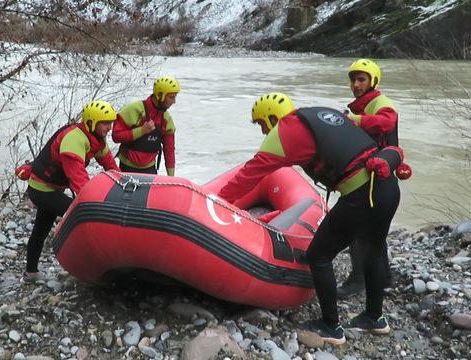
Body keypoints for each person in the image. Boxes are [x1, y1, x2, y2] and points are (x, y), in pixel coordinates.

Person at [218, 93, 403, 344]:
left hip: (362, 195)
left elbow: (250, 174)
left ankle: (331, 327)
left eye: (262, 124)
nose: (264, 132)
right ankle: (375, 318)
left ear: (272, 117)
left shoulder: (285, 131)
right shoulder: (321, 114)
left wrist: (217, 199)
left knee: (319, 256)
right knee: (373, 250)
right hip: (387, 187)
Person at [338, 58, 412, 299]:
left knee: (357, 229)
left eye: (362, 80)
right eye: (353, 79)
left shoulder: (380, 104)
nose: (356, 84)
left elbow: (387, 122)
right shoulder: (362, 105)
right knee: (375, 229)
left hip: (377, 178)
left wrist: (355, 121)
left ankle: (358, 281)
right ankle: (384, 278)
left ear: (373, 81)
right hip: (377, 177)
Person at [23, 100, 120, 282]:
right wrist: (95, 205)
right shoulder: (74, 140)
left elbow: (110, 165)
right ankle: (87, 268)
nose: (110, 127)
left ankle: (30, 273)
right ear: (92, 122)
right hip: (41, 189)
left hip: (52, 188)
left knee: (41, 229)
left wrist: (123, 185)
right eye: (106, 123)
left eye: (111, 123)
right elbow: (79, 180)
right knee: (80, 218)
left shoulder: (96, 138)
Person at [112, 76, 179, 175]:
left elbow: (169, 150)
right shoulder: (134, 110)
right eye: (171, 97)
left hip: (150, 170)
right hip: (127, 168)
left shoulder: (166, 120)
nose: (174, 102)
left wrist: (171, 177)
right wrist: (141, 131)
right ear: (160, 95)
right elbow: (116, 137)